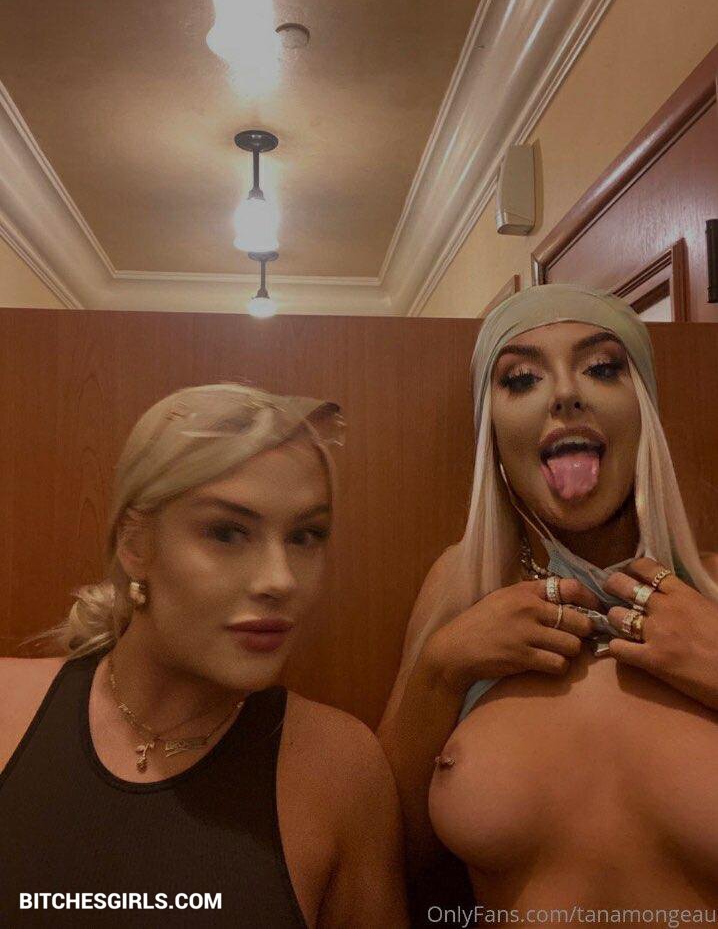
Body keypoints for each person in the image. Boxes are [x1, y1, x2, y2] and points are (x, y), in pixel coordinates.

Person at [0, 383, 408, 928]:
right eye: (226, 532)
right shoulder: (6, 710)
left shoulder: (340, 771)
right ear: (135, 544)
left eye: (305, 536)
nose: (281, 580)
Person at [378, 285, 718, 916]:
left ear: (643, 407)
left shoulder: (716, 596)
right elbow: (388, 859)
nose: (565, 393)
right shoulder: (460, 584)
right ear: (491, 431)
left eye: (602, 368)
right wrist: (440, 669)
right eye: (521, 379)